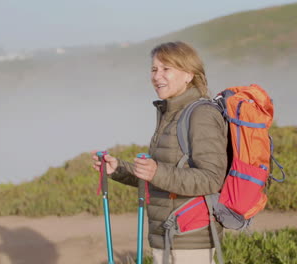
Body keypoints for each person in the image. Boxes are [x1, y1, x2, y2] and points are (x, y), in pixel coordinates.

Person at [92, 41, 228, 264]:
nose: (157, 76)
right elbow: (159, 176)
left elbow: (212, 179)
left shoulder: (201, 114)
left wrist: (156, 172)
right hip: (165, 234)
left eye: (166, 68)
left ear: (188, 74)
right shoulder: (170, 113)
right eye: (154, 69)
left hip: (189, 237)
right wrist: (118, 169)